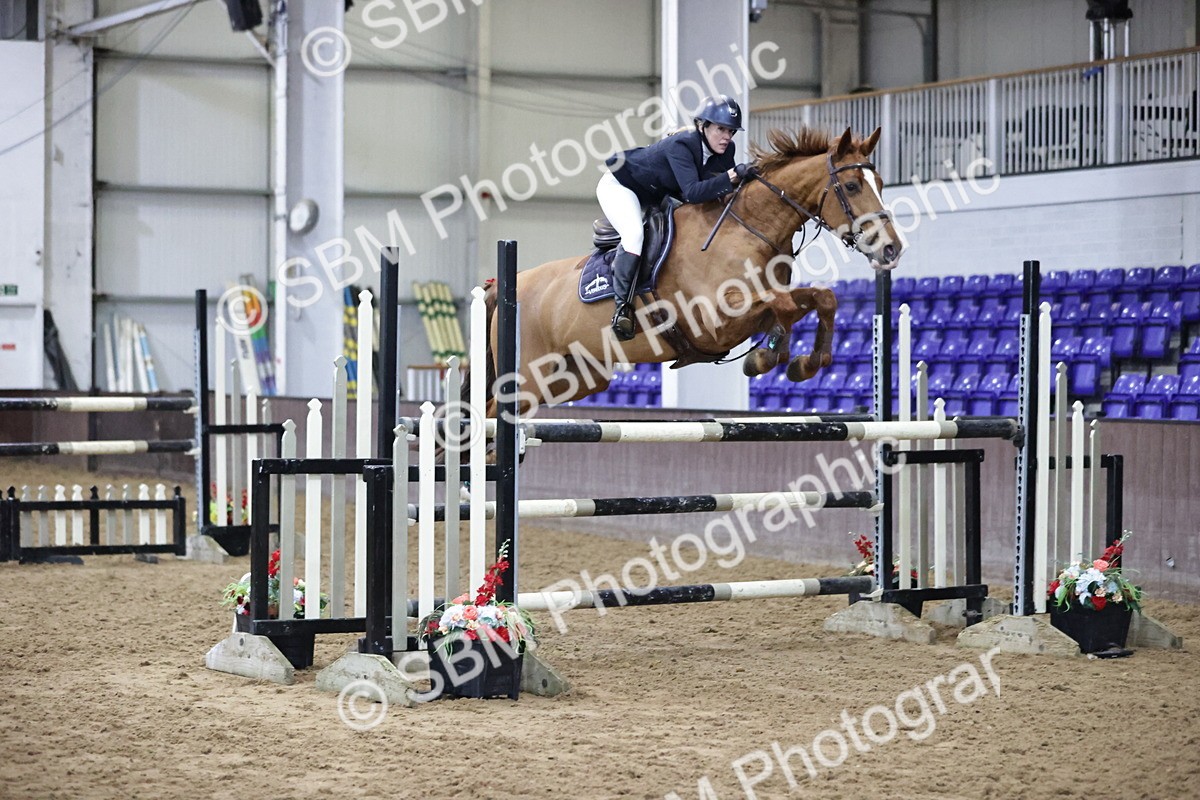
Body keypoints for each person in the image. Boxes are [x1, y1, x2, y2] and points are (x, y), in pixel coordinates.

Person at [598, 94, 757, 340]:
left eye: (732, 131)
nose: (727, 137)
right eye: (721, 129)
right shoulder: (682, 144)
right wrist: (732, 177)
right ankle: (623, 309)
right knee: (634, 235)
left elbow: (720, 190)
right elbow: (693, 192)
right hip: (621, 186)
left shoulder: (727, 150)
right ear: (703, 126)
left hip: (656, 194)